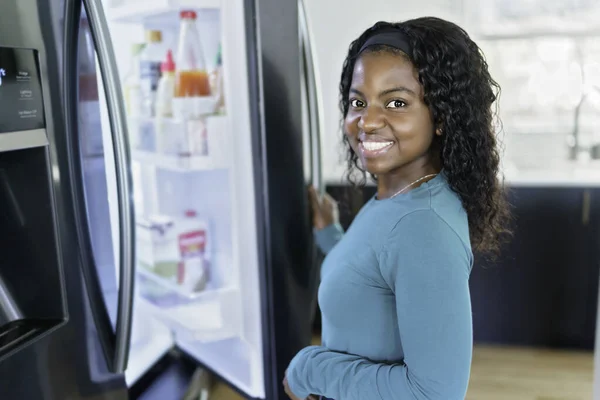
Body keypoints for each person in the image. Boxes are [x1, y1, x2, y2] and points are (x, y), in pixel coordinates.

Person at [282, 16, 511, 400]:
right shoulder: (399, 197)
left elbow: (433, 393)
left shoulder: (424, 227)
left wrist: (311, 368)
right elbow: (373, 273)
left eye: (396, 102)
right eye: (358, 101)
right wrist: (329, 233)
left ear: (441, 115)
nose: (367, 121)